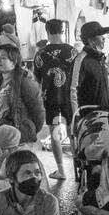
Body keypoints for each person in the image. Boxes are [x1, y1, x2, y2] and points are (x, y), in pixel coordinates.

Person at [33, 18, 76, 180]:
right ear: (63, 31)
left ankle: (61, 171)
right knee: (73, 134)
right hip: (70, 98)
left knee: (56, 135)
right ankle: (77, 168)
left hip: (50, 99)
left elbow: (36, 79)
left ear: (47, 32)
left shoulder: (41, 53)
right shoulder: (72, 52)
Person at [0, 43, 44, 146]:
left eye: (3, 58)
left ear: (14, 62)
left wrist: (29, 131)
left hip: (19, 139)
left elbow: (38, 112)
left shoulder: (25, 83)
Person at [70, 21, 109, 112]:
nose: (103, 38)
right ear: (91, 40)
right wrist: (76, 116)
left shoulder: (101, 60)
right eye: (100, 35)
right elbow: (73, 90)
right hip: (88, 117)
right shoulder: (81, 60)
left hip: (105, 114)